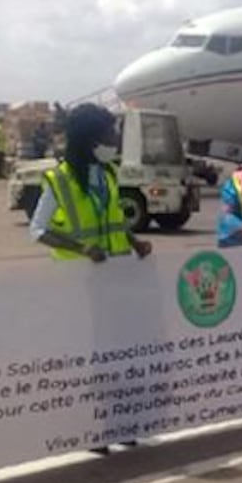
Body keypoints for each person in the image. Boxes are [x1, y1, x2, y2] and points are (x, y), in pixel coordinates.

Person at [28, 104, 150, 455]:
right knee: (92, 357)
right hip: (81, 283)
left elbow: (112, 219)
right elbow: (39, 230)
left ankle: (120, 423)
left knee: (120, 353)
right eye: (109, 134)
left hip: (117, 278)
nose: (114, 140)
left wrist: (133, 241)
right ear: (91, 139)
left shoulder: (109, 174)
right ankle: (94, 428)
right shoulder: (59, 179)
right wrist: (82, 249)